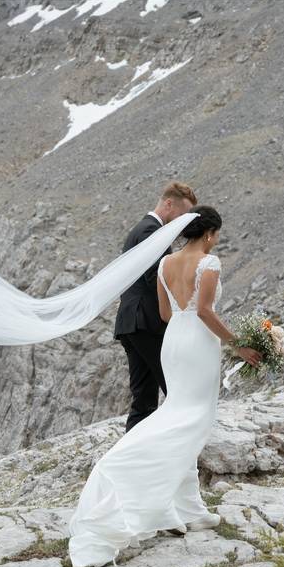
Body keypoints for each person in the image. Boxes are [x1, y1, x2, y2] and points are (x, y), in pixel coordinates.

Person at [68, 205, 262, 567]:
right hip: (199, 345)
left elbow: (165, 314)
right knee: (192, 420)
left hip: (174, 341)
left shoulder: (165, 263)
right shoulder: (211, 262)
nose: (217, 240)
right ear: (209, 234)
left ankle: (188, 509)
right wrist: (240, 344)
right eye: (217, 234)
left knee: (179, 413)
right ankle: (126, 470)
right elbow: (204, 310)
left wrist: (187, 321)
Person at [113, 182, 197, 432]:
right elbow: (157, 279)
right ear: (169, 204)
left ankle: (131, 457)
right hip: (146, 321)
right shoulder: (152, 231)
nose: (182, 223)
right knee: (175, 386)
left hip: (132, 322)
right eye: (182, 215)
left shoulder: (141, 228)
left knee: (144, 398)